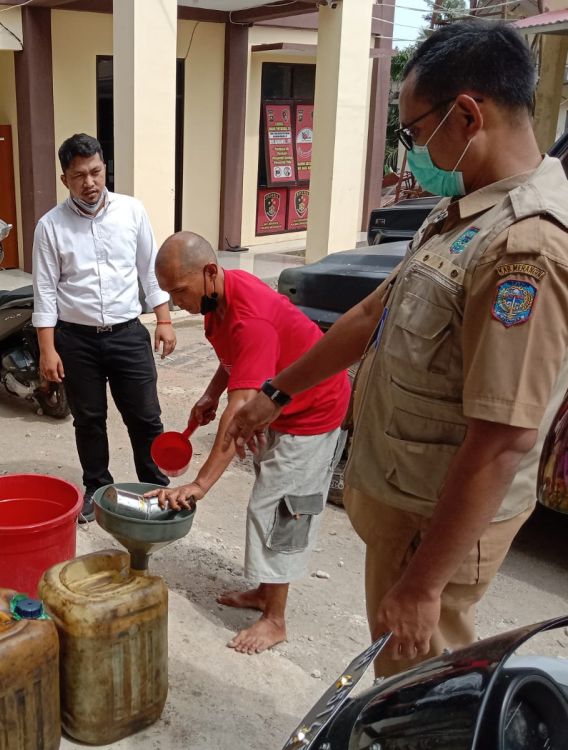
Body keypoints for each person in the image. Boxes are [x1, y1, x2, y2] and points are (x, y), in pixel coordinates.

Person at [226, 20, 568, 676]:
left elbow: (502, 439)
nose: (411, 149)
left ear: (468, 115)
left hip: (433, 532)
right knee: (395, 678)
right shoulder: (463, 211)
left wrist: (423, 586)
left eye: (413, 132)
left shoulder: (525, 248)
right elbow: (369, 314)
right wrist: (276, 392)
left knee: (422, 693)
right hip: (404, 509)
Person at [148, 232, 349, 653]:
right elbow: (234, 359)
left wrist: (199, 484)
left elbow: (238, 418)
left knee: (281, 507)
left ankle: (275, 619)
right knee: (269, 492)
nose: (175, 301)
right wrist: (210, 393)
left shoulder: (249, 317)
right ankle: (265, 591)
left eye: (179, 291)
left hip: (313, 409)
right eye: (167, 293)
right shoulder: (217, 298)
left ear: (208, 272)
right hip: (276, 402)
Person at [32, 133, 177, 522]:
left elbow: (150, 270)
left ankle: (154, 486)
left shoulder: (132, 211)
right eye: (79, 176)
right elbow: (45, 291)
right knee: (89, 419)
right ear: (66, 179)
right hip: (76, 340)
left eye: (95, 171)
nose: (90, 183)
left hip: (128, 334)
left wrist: (163, 319)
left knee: (145, 417)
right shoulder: (50, 227)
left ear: (104, 167)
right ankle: (96, 486)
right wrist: (48, 348)